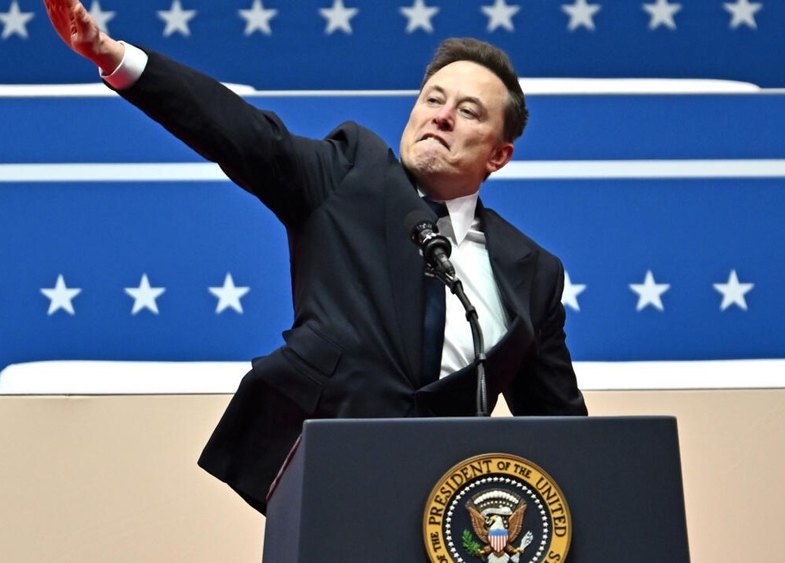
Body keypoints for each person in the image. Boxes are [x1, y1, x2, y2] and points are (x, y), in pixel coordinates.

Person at [43, 0, 587, 515]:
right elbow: (243, 133)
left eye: (467, 111)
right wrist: (113, 57)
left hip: (448, 514)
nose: (441, 117)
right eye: (432, 99)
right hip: (327, 485)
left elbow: (565, 433)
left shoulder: (533, 273)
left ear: (499, 154)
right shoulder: (349, 175)